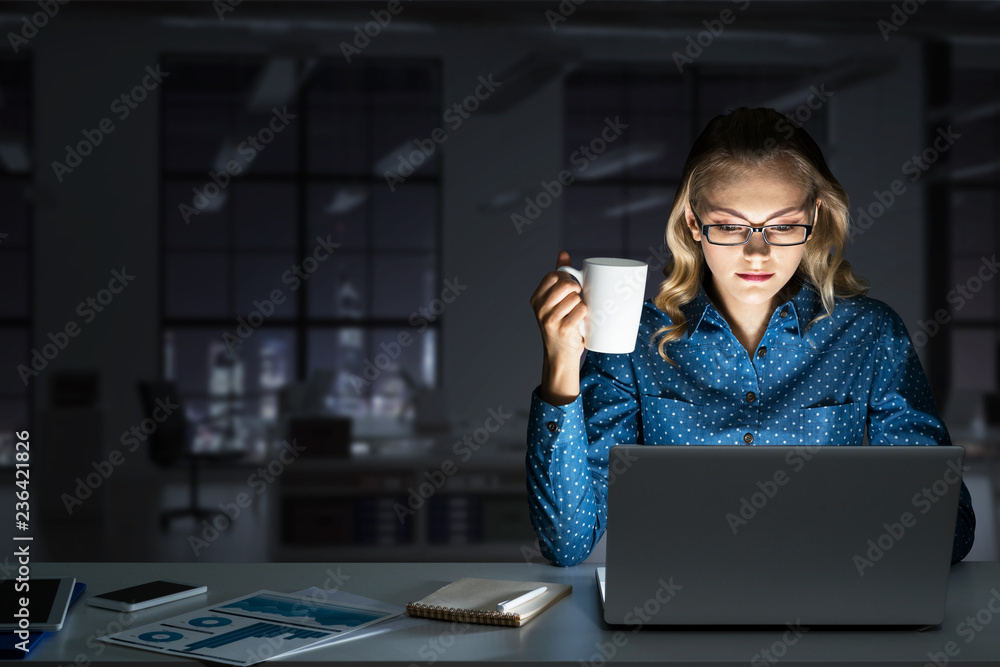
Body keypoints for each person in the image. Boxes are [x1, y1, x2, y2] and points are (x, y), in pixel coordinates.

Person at [526, 106, 975, 568]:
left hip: (825, 605)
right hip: (667, 613)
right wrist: (560, 363)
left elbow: (952, 531)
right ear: (692, 223)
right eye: (729, 226)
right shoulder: (634, 339)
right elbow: (567, 544)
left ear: (814, 218)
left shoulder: (869, 334)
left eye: (781, 226)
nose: (757, 253)